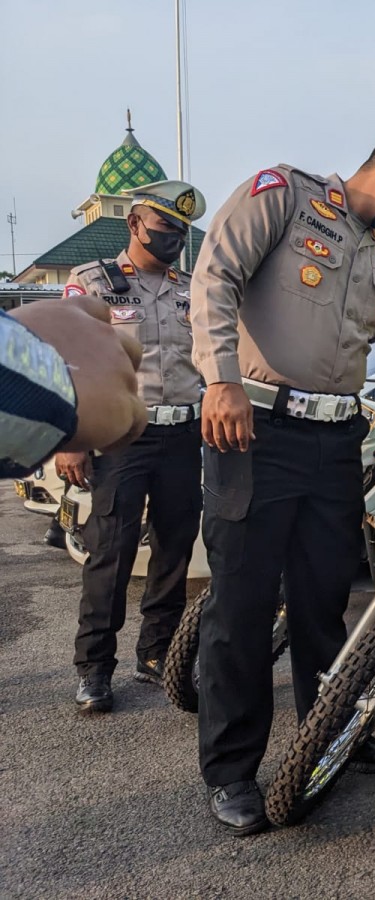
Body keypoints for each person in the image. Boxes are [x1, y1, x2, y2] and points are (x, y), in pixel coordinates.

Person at [189, 109, 375, 836]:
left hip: (334, 441)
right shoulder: (282, 195)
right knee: (242, 610)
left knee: (323, 607)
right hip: (251, 428)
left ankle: (333, 737)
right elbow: (215, 274)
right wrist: (219, 378)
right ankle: (232, 772)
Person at [53, 181, 206, 713]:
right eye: (165, 227)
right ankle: (94, 668)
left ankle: (157, 651)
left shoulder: (192, 287)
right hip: (122, 437)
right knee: (111, 552)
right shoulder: (92, 281)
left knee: (174, 549)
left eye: (181, 231)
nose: (174, 238)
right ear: (135, 225)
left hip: (184, 435)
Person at [0, 295, 146, 477]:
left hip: (176, 429)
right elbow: (69, 333)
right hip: (105, 425)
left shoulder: (181, 283)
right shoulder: (93, 278)